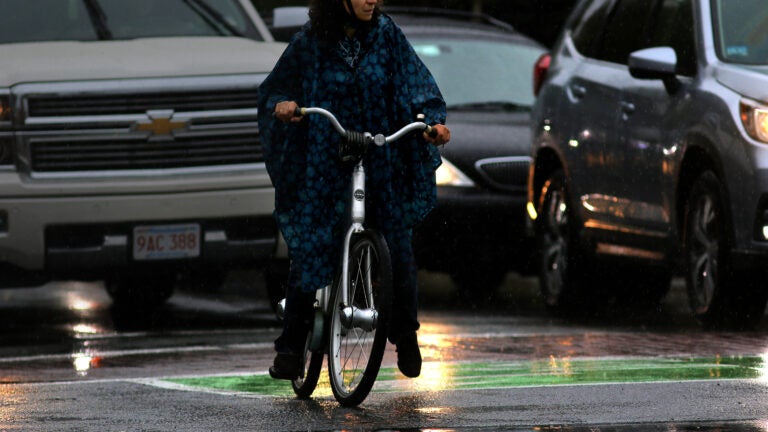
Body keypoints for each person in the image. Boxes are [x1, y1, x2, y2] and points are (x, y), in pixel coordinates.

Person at [257, 0, 451, 381]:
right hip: (324, 164)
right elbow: (273, 89)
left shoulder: (388, 36)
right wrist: (283, 104)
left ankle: (406, 336)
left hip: (380, 157)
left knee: (397, 245)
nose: (371, 0)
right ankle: (291, 349)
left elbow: (418, 83)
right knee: (311, 244)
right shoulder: (310, 43)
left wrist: (433, 121)